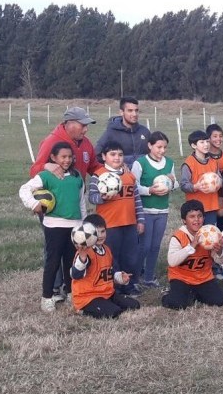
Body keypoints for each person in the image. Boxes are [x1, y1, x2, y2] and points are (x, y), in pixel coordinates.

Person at [30, 106, 100, 299]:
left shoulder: (85, 143)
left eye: (87, 125)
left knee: (72, 249)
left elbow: (94, 166)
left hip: (75, 208)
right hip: (55, 209)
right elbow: (35, 169)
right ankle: (53, 288)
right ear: (69, 124)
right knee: (55, 250)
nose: (86, 130)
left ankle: (70, 288)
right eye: (82, 125)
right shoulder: (52, 141)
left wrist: (111, 171)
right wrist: (46, 165)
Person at [19, 142, 86, 313]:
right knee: (53, 262)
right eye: (63, 157)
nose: (67, 160)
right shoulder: (46, 176)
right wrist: (33, 204)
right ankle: (47, 297)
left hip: (75, 227)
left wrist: (83, 224)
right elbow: (24, 189)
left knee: (71, 262)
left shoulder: (77, 176)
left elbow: (81, 202)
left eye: (70, 157)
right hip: (54, 226)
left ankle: (72, 293)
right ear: (53, 158)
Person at [89, 141, 145, 296]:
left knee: (130, 257)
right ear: (103, 157)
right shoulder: (98, 175)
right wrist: (103, 197)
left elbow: (136, 199)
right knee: (112, 256)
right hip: (109, 224)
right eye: (112, 154)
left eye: (120, 155)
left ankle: (129, 284)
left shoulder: (129, 175)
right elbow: (92, 197)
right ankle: (115, 285)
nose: (117, 158)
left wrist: (140, 220)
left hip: (129, 223)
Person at [131, 131, 179, 288]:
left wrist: (172, 183)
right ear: (150, 146)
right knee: (144, 246)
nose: (162, 151)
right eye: (159, 147)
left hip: (162, 211)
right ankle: (134, 277)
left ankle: (149, 277)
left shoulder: (170, 163)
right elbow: (133, 186)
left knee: (155, 246)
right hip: (145, 211)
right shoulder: (140, 163)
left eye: (165, 147)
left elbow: (175, 184)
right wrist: (149, 190)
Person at [70, 214, 140, 318]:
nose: (100, 236)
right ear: (88, 234)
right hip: (88, 297)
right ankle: (82, 310)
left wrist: (120, 278)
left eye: (103, 231)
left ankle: (107, 304)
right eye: (96, 233)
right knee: (114, 313)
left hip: (106, 293)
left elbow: (108, 274)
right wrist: (82, 258)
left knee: (134, 305)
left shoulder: (107, 250)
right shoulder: (85, 253)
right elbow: (76, 275)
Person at [161, 200, 223, 310]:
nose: (196, 220)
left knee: (219, 301)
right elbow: (172, 261)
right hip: (181, 278)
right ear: (184, 221)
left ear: (204, 218)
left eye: (199, 216)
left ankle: (195, 293)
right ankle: (167, 295)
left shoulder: (210, 235)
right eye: (192, 216)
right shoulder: (178, 236)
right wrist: (191, 246)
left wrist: (220, 252)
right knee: (177, 304)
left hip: (203, 277)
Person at [95, 96, 151, 168]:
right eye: (130, 111)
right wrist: (115, 166)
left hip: (143, 177)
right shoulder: (111, 133)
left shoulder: (145, 132)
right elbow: (97, 154)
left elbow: (153, 155)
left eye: (136, 110)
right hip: (121, 177)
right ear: (121, 112)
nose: (134, 114)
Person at [180, 130, 222, 225]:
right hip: (195, 209)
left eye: (207, 141)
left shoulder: (213, 162)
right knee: (197, 236)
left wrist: (218, 183)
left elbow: (220, 179)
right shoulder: (188, 164)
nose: (206, 145)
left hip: (211, 206)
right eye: (202, 142)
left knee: (210, 235)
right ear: (194, 145)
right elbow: (183, 185)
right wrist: (196, 186)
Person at [206, 123, 223, 230]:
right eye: (215, 136)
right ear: (208, 138)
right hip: (209, 198)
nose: (219, 139)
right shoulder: (204, 156)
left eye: (220, 136)